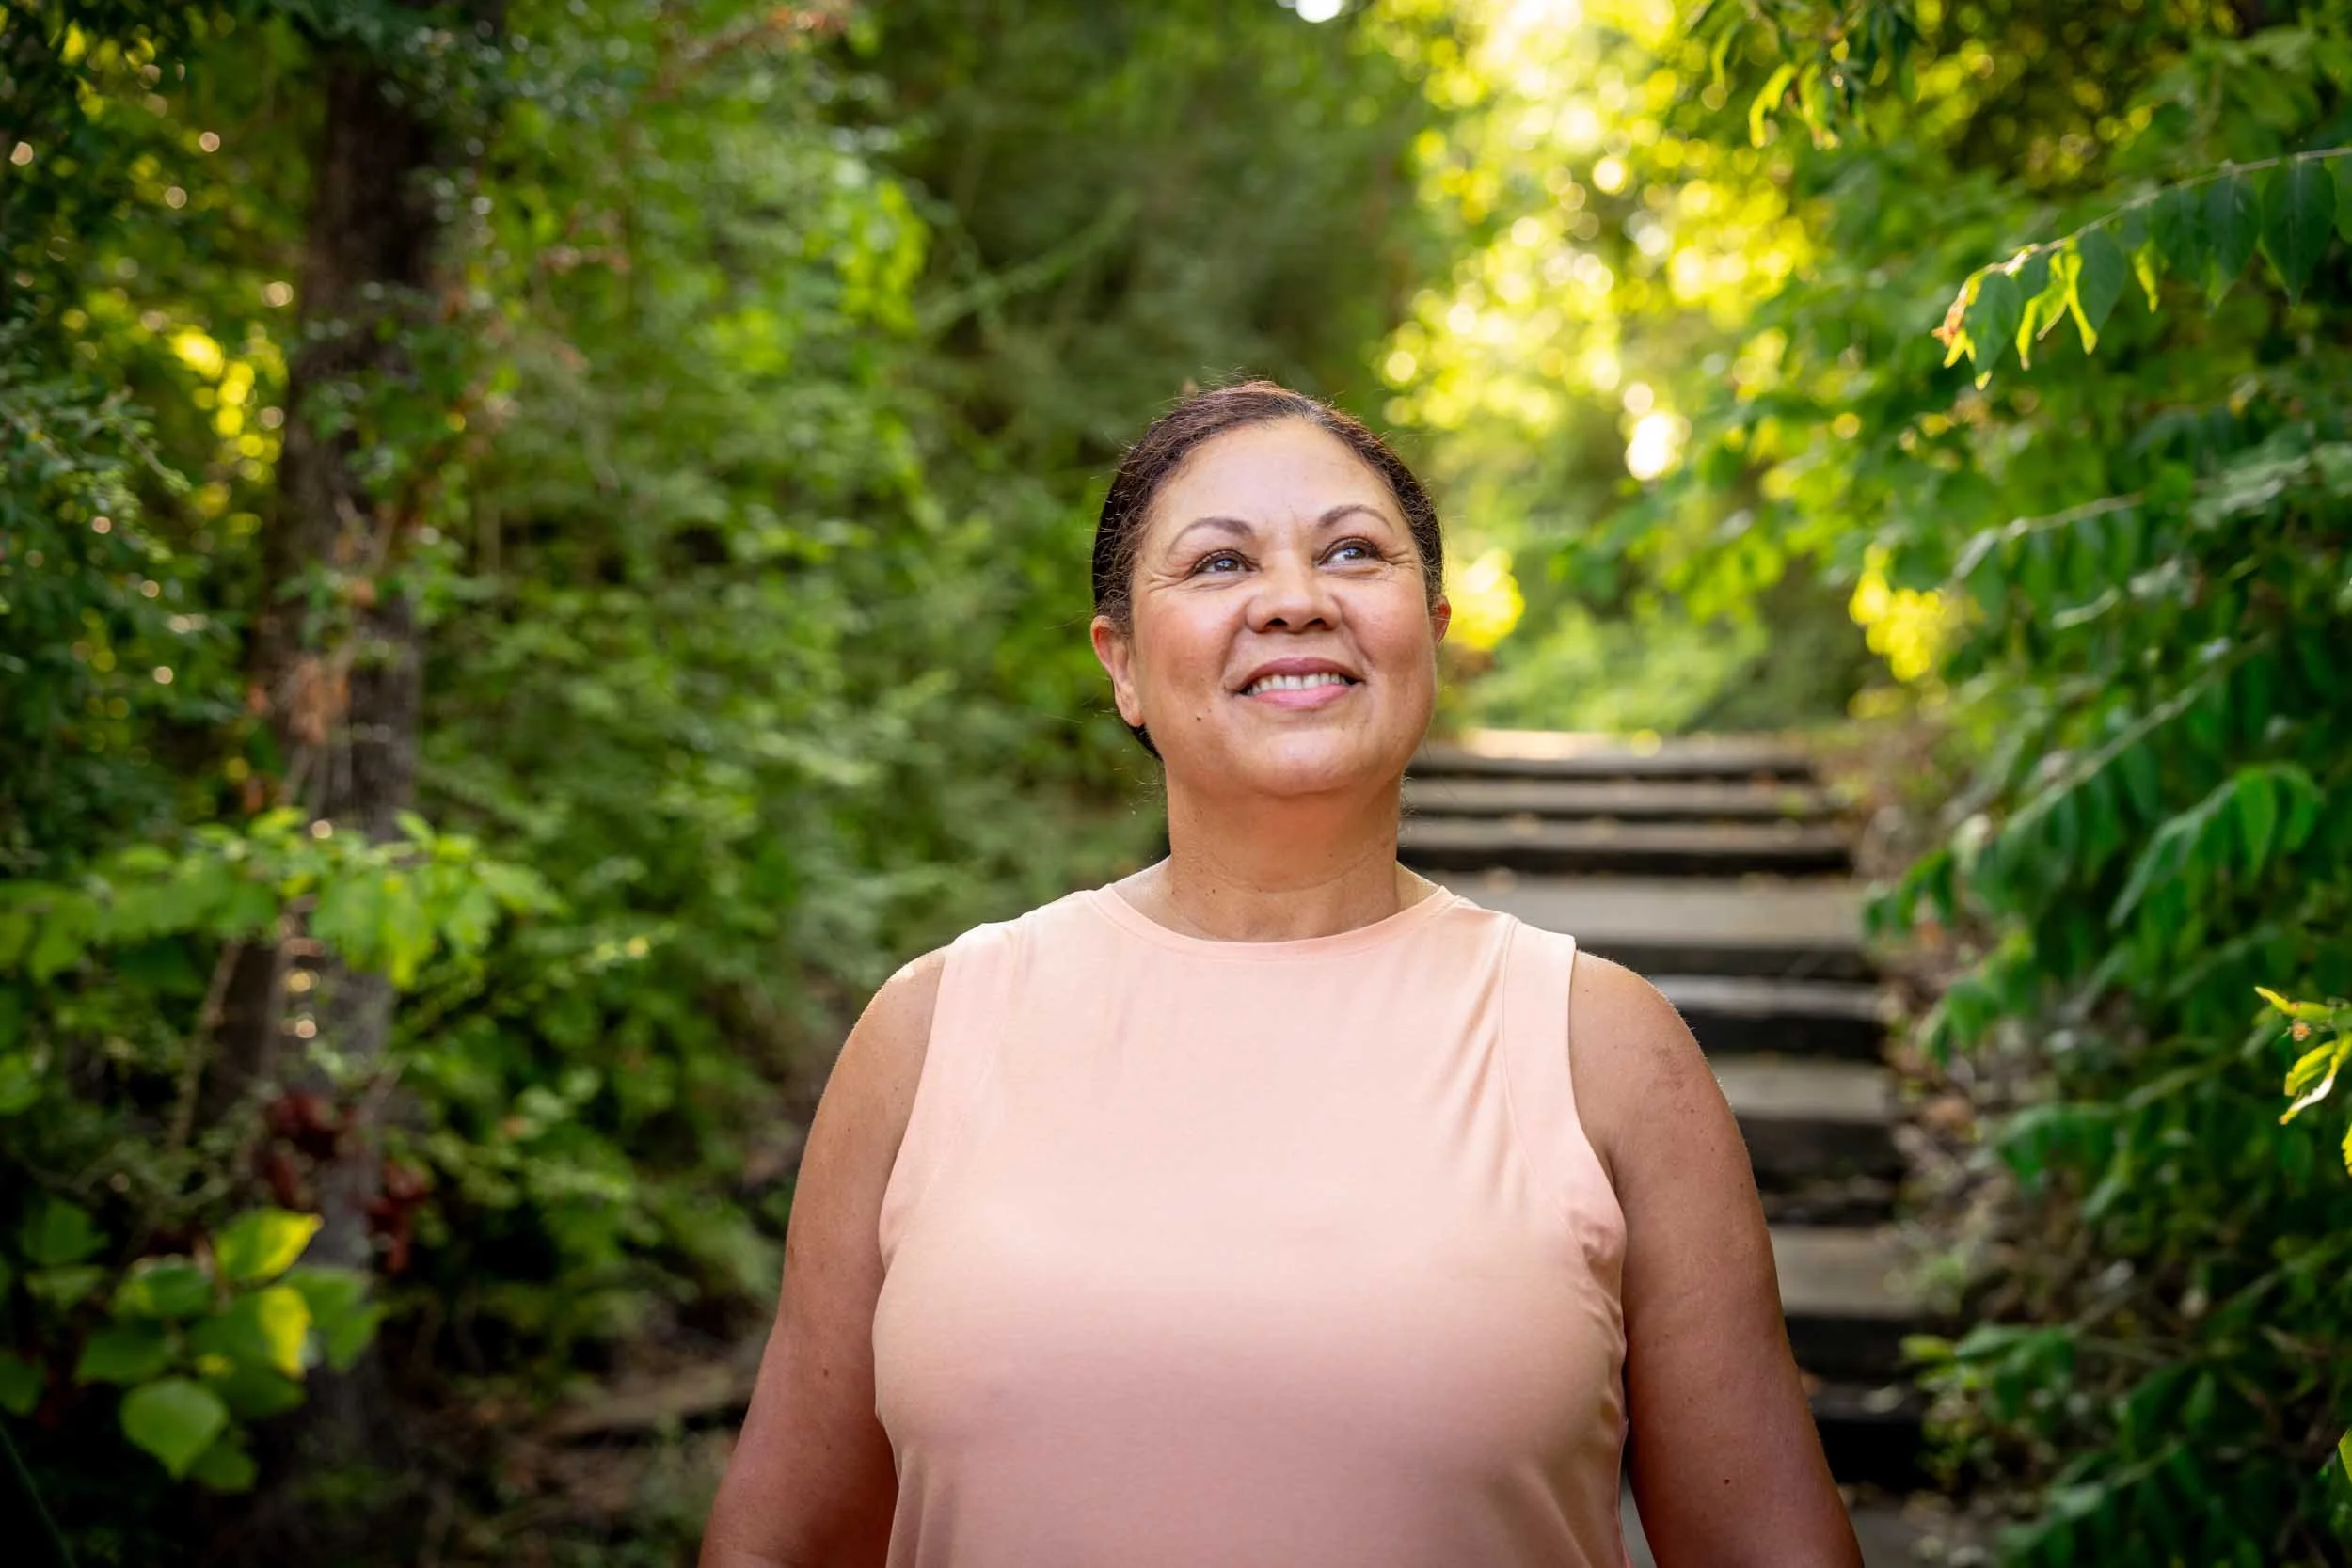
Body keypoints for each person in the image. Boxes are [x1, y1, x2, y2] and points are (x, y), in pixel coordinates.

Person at [700, 381, 1863, 1568]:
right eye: (1217, 565)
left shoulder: (1602, 1044)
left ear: (1431, 629)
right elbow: (778, 1542)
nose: (1296, 601)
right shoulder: (932, 1027)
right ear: (1123, 666)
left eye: (1353, 552)